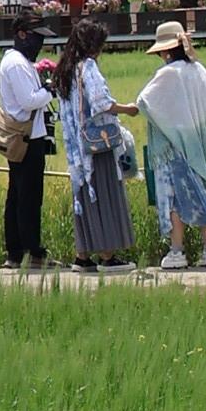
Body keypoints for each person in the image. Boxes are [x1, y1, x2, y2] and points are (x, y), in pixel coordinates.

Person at [130, 21, 206, 272]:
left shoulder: (169, 73)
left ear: (166, 51)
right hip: (201, 143)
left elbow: (145, 102)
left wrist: (119, 108)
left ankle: (177, 251)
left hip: (176, 147)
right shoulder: (200, 70)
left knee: (175, 198)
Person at [51, 20, 137, 272]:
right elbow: (101, 103)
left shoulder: (64, 70)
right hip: (97, 144)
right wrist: (128, 109)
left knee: (83, 196)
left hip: (76, 148)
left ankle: (83, 255)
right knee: (104, 192)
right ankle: (108, 256)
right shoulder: (88, 67)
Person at [0, 17, 54, 271]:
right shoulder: (17, 64)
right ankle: (31, 252)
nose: (39, 43)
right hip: (28, 138)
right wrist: (52, 88)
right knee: (28, 197)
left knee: (19, 194)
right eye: (35, 37)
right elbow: (29, 100)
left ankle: (17, 251)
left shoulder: (18, 62)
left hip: (25, 136)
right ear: (21, 34)